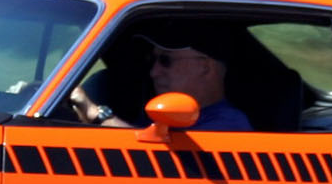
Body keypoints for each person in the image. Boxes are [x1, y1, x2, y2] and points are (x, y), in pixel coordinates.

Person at [71, 24, 253, 132]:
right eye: (153, 60)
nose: (154, 72)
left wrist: (95, 113)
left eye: (165, 60)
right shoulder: (165, 118)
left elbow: (152, 161)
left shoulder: (227, 125)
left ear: (204, 67)